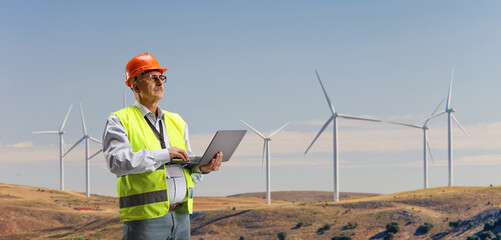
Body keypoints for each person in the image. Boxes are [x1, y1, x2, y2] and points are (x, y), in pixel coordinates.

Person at [102, 52, 222, 240]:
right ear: (135, 86)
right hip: (145, 219)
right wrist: (164, 154)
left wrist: (202, 168)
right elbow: (117, 162)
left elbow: (185, 165)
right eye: (152, 77)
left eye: (162, 77)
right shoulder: (120, 120)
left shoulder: (177, 121)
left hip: (182, 217)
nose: (160, 82)